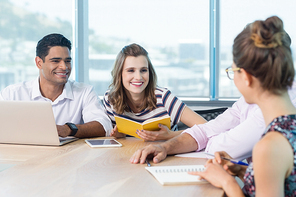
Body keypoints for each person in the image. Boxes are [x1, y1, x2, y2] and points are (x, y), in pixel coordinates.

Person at [191, 16, 296, 196]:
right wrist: (243, 173)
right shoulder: (287, 129)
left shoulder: (270, 146)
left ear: (246, 77)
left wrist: (227, 182)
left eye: (233, 71)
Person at [0, 33, 112, 138]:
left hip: (69, 156)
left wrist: (68, 129)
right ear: (39, 63)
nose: (64, 67)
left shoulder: (84, 92)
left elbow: (104, 126)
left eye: (67, 61)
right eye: (55, 61)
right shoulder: (12, 94)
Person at [103, 43, 207, 139]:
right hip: (129, 155)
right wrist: (120, 135)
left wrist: (170, 135)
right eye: (131, 71)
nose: (138, 77)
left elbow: (207, 127)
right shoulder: (110, 98)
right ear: (119, 74)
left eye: (143, 70)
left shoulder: (163, 97)